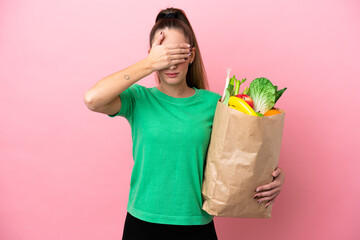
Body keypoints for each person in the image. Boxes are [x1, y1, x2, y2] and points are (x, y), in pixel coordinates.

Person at [83, 7, 285, 240]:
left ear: (191, 55)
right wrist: (148, 64)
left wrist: (275, 178)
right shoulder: (138, 99)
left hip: (196, 225)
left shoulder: (215, 104)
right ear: (152, 55)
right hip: (142, 224)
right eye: (164, 56)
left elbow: (241, 157)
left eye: (178, 54)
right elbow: (92, 99)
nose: (171, 64)